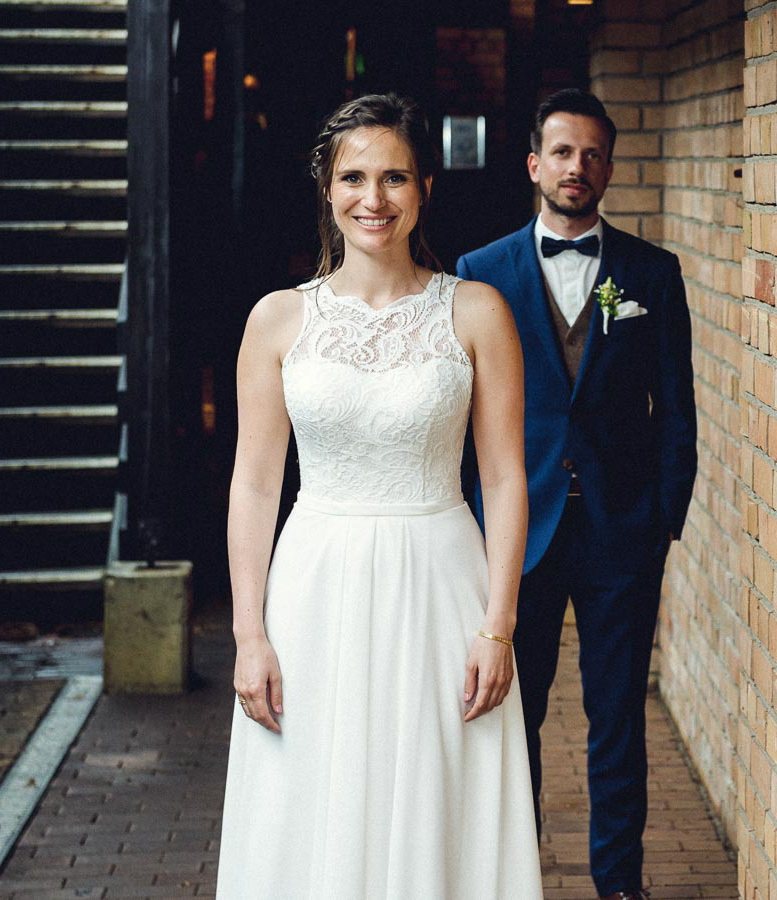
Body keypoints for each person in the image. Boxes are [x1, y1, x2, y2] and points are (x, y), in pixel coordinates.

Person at [217, 93, 543, 899]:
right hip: (315, 589)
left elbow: (504, 478)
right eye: (354, 177)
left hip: (440, 586)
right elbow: (256, 484)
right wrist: (249, 634)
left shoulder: (476, 311)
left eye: (394, 176)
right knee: (315, 792)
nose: (375, 198)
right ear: (326, 188)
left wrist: (498, 626)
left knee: (436, 795)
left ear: (424, 186)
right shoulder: (277, 320)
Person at [456, 89, 698, 900]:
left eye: (593, 154)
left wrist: (661, 516)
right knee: (507, 720)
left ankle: (618, 882)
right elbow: (459, 420)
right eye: (562, 152)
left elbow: (678, 409)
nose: (577, 167)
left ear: (610, 168)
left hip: (621, 533)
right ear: (534, 164)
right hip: (516, 536)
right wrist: (473, 524)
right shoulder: (479, 274)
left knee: (617, 720)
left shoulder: (650, 275)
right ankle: (510, 876)